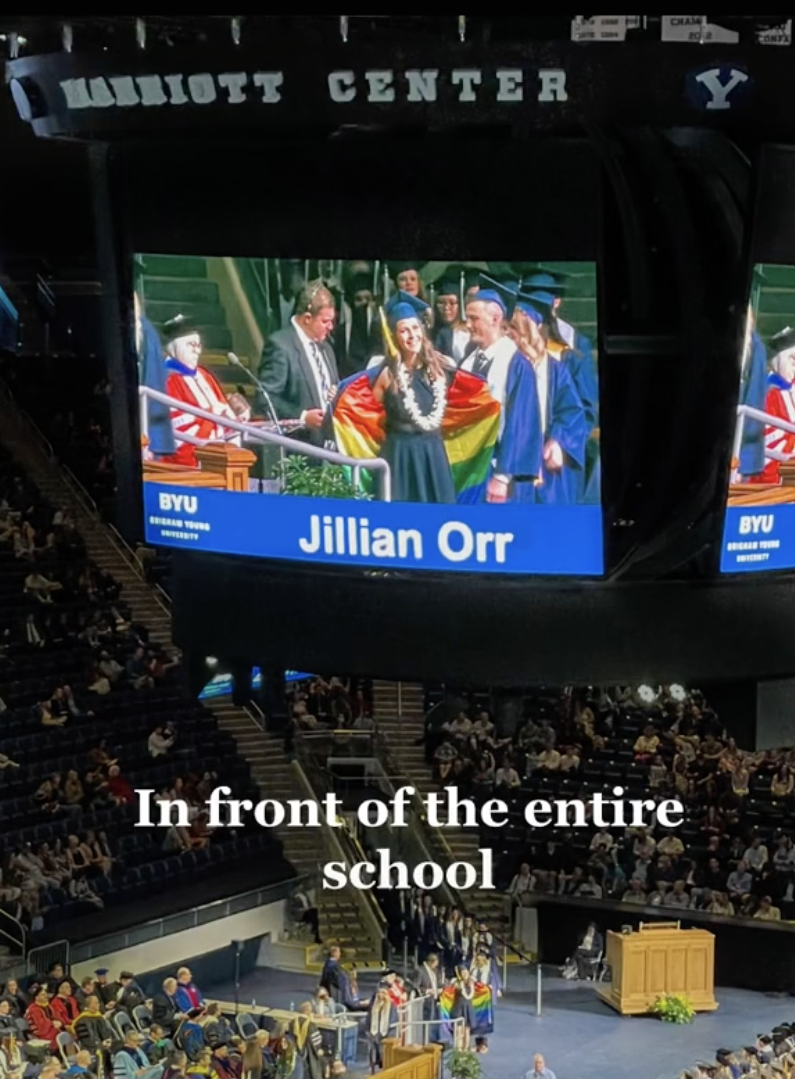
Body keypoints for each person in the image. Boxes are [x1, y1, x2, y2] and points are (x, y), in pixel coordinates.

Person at [331, 291, 503, 505]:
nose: (412, 335)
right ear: (394, 337)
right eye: (404, 330)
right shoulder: (387, 375)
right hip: (399, 458)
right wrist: (339, 396)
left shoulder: (439, 370)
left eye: (415, 328)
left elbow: (467, 397)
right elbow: (367, 410)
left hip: (433, 456)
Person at [459, 286, 543, 502]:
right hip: (473, 469)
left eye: (474, 318)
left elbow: (521, 423)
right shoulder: (468, 363)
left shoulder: (516, 363)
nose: (468, 325)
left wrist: (502, 477)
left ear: (495, 319)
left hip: (503, 475)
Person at [508, 296, 589, 503]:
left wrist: (558, 441)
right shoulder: (505, 365)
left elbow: (572, 411)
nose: (509, 335)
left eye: (514, 329)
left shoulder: (554, 368)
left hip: (544, 460)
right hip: (512, 459)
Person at [256, 280, 339, 447]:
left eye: (332, 321)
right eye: (325, 321)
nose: (330, 327)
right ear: (307, 318)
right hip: (299, 449)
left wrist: (337, 392)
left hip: (331, 448)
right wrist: (301, 417)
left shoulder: (327, 349)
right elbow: (265, 399)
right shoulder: (280, 345)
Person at [159, 314, 247, 468]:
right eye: (191, 345)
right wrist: (213, 414)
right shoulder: (166, 380)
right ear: (175, 347)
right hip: (188, 468)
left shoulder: (204, 375)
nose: (197, 351)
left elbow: (223, 413)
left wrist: (236, 418)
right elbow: (180, 434)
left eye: (198, 345)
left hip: (219, 459)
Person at [750, 326, 795, 485]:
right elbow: (771, 437)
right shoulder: (768, 393)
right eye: (792, 359)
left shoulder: (791, 386)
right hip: (774, 474)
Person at [134, 289, 176, 459]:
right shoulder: (144, 330)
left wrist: (152, 440)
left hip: (146, 431)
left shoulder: (146, 333)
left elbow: (153, 383)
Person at [365, 988, 397, 1072]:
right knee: (373, 1053)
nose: (380, 995)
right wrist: (368, 1031)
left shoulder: (392, 1006)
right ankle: (373, 1071)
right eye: (379, 992)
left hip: (386, 1034)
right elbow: (369, 1018)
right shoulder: (374, 1005)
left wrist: (390, 1035)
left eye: (383, 992)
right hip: (374, 1033)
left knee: (383, 1054)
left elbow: (393, 1020)